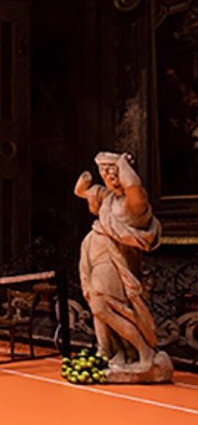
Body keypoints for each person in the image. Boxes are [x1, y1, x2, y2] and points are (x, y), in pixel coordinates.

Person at [75, 152, 166, 373]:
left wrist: (122, 162)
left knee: (104, 308)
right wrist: (88, 178)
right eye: (103, 172)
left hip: (113, 263)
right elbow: (80, 191)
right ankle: (110, 353)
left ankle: (143, 350)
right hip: (95, 257)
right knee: (100, 311)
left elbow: (133, 184)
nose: (107, 175)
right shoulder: (108, 198)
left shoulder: (134, 203)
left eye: (111, 170)